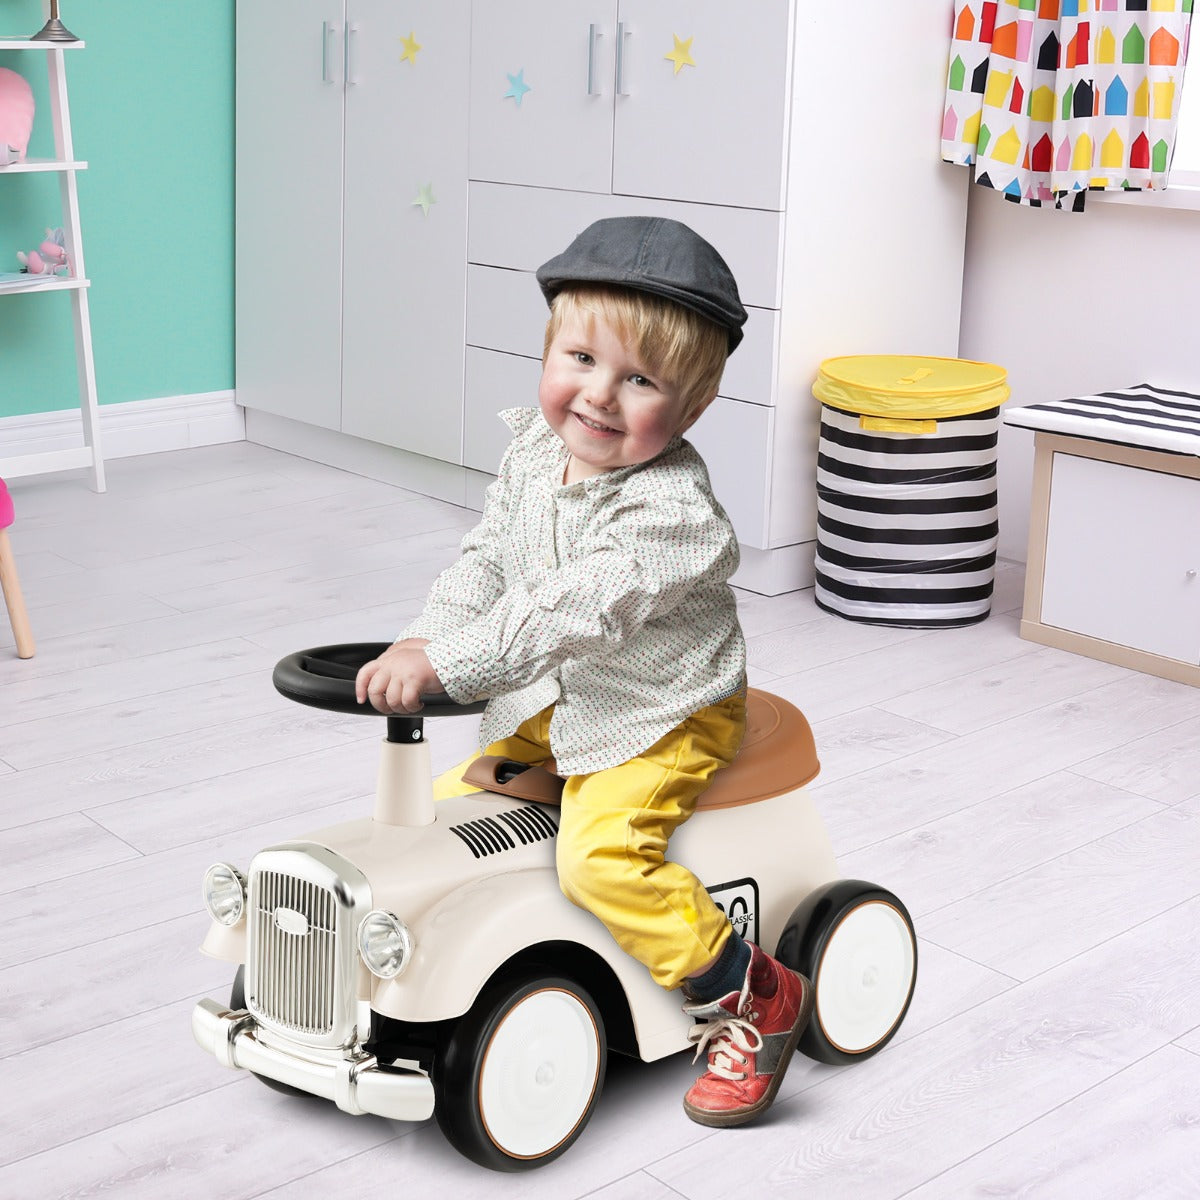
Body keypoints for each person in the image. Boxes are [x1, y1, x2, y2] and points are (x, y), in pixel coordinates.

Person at [355, 216, 813, 1127]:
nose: (600, 397)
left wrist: (456, 661)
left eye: (640, 380)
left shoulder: (671, 513)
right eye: (581, 359)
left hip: (661, 710)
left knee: (602, 860)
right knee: (450, 809)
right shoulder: (534, 452)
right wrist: (419, 642)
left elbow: (574, 604)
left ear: (690, 407)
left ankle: (752, 996)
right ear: (547, 351)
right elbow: (486, 560)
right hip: (565, 696)